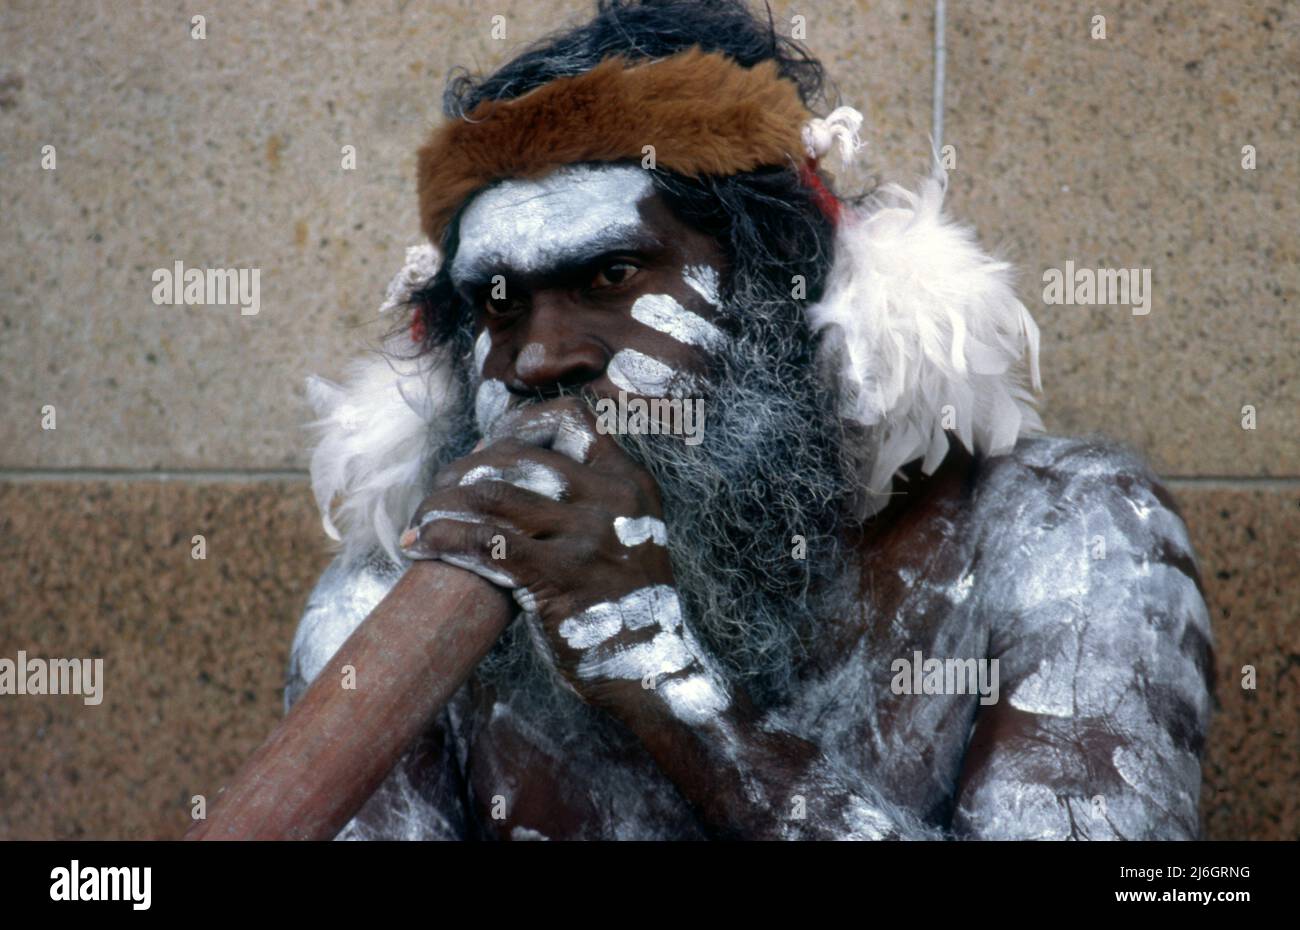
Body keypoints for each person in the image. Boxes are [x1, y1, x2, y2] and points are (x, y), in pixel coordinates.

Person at [285, 0, 1213, 840]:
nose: (539, 358)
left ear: (781, 287)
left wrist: (668, 689)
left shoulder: (1066, 540)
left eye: (611, 276)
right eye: (498, 306)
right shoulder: (377, 609)